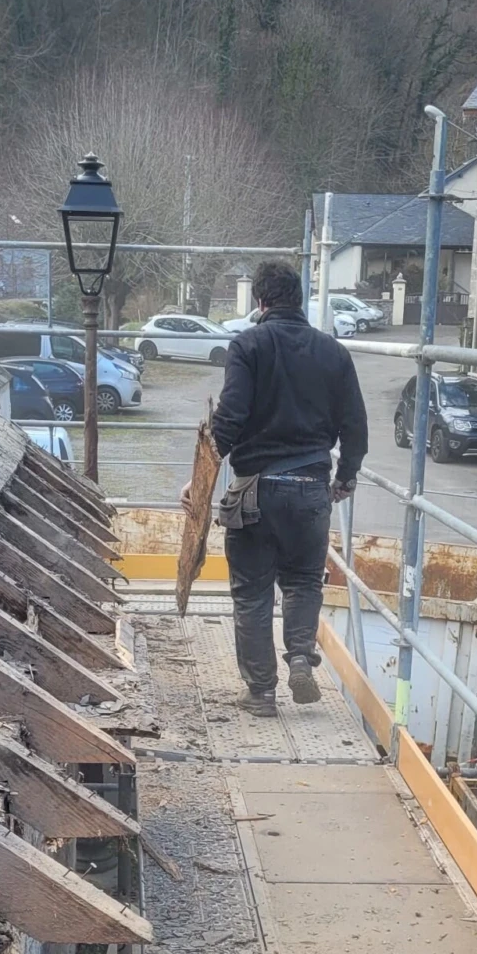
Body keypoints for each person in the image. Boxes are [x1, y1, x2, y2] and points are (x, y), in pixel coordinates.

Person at [192, 259, 368, 713]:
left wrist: (200, 483)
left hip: (255, 491)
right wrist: (345, 477)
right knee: (304, 582)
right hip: (311, 489)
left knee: (252, 593)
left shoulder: (248, 345)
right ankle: (301, 658)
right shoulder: (334, 352)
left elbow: (229, 419)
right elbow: (355, 426)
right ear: (299, 299)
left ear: (260, 301)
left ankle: (261, 692)